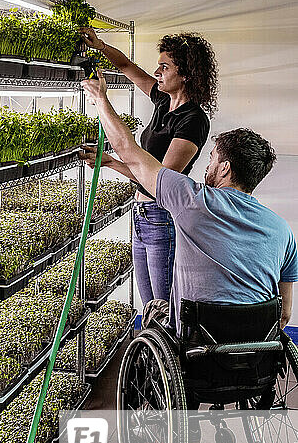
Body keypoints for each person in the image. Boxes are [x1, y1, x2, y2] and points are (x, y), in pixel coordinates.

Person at [81, 73, 298, 338]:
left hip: (194, 345)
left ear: (225, 168)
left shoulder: (191, 201)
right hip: (253, 356)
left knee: (156, 310)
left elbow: (129, 150)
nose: (207, 165)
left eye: (212, 159)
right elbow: (284, 314)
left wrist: (101, 99)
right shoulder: (283, 231)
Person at [80, 28, 218, 306]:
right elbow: (126, 66)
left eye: (165, 67)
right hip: (140, 214)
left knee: (163, 308)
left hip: (161, 217)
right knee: (149, 305)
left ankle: (171, 350)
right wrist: (101, 46)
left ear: (186, 75)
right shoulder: (163, 100)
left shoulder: (193, 120)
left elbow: (160, 179)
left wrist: (103, 104)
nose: (157, 72)